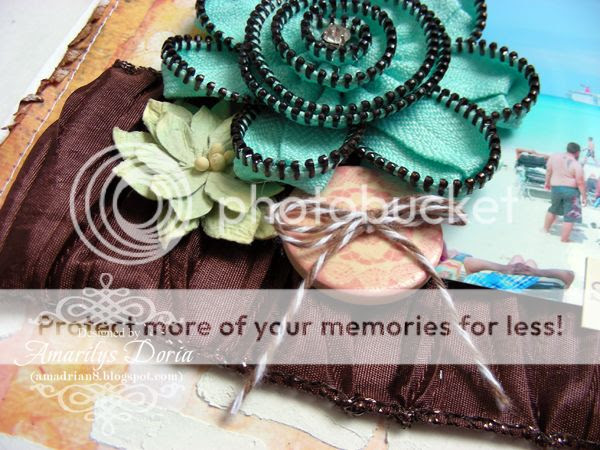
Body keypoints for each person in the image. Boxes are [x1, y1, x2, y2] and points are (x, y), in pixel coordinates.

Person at [543, 143, 587, 242]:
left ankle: (545, 230)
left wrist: (547, 183)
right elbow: (580, 182)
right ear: (577, 152)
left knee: (553, 209)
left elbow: (549, 171)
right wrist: (584, 196)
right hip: (571, 191)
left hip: (556, 188)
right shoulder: (576, 164)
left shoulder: (554, 157)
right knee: (570, 216)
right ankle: (564, 239)